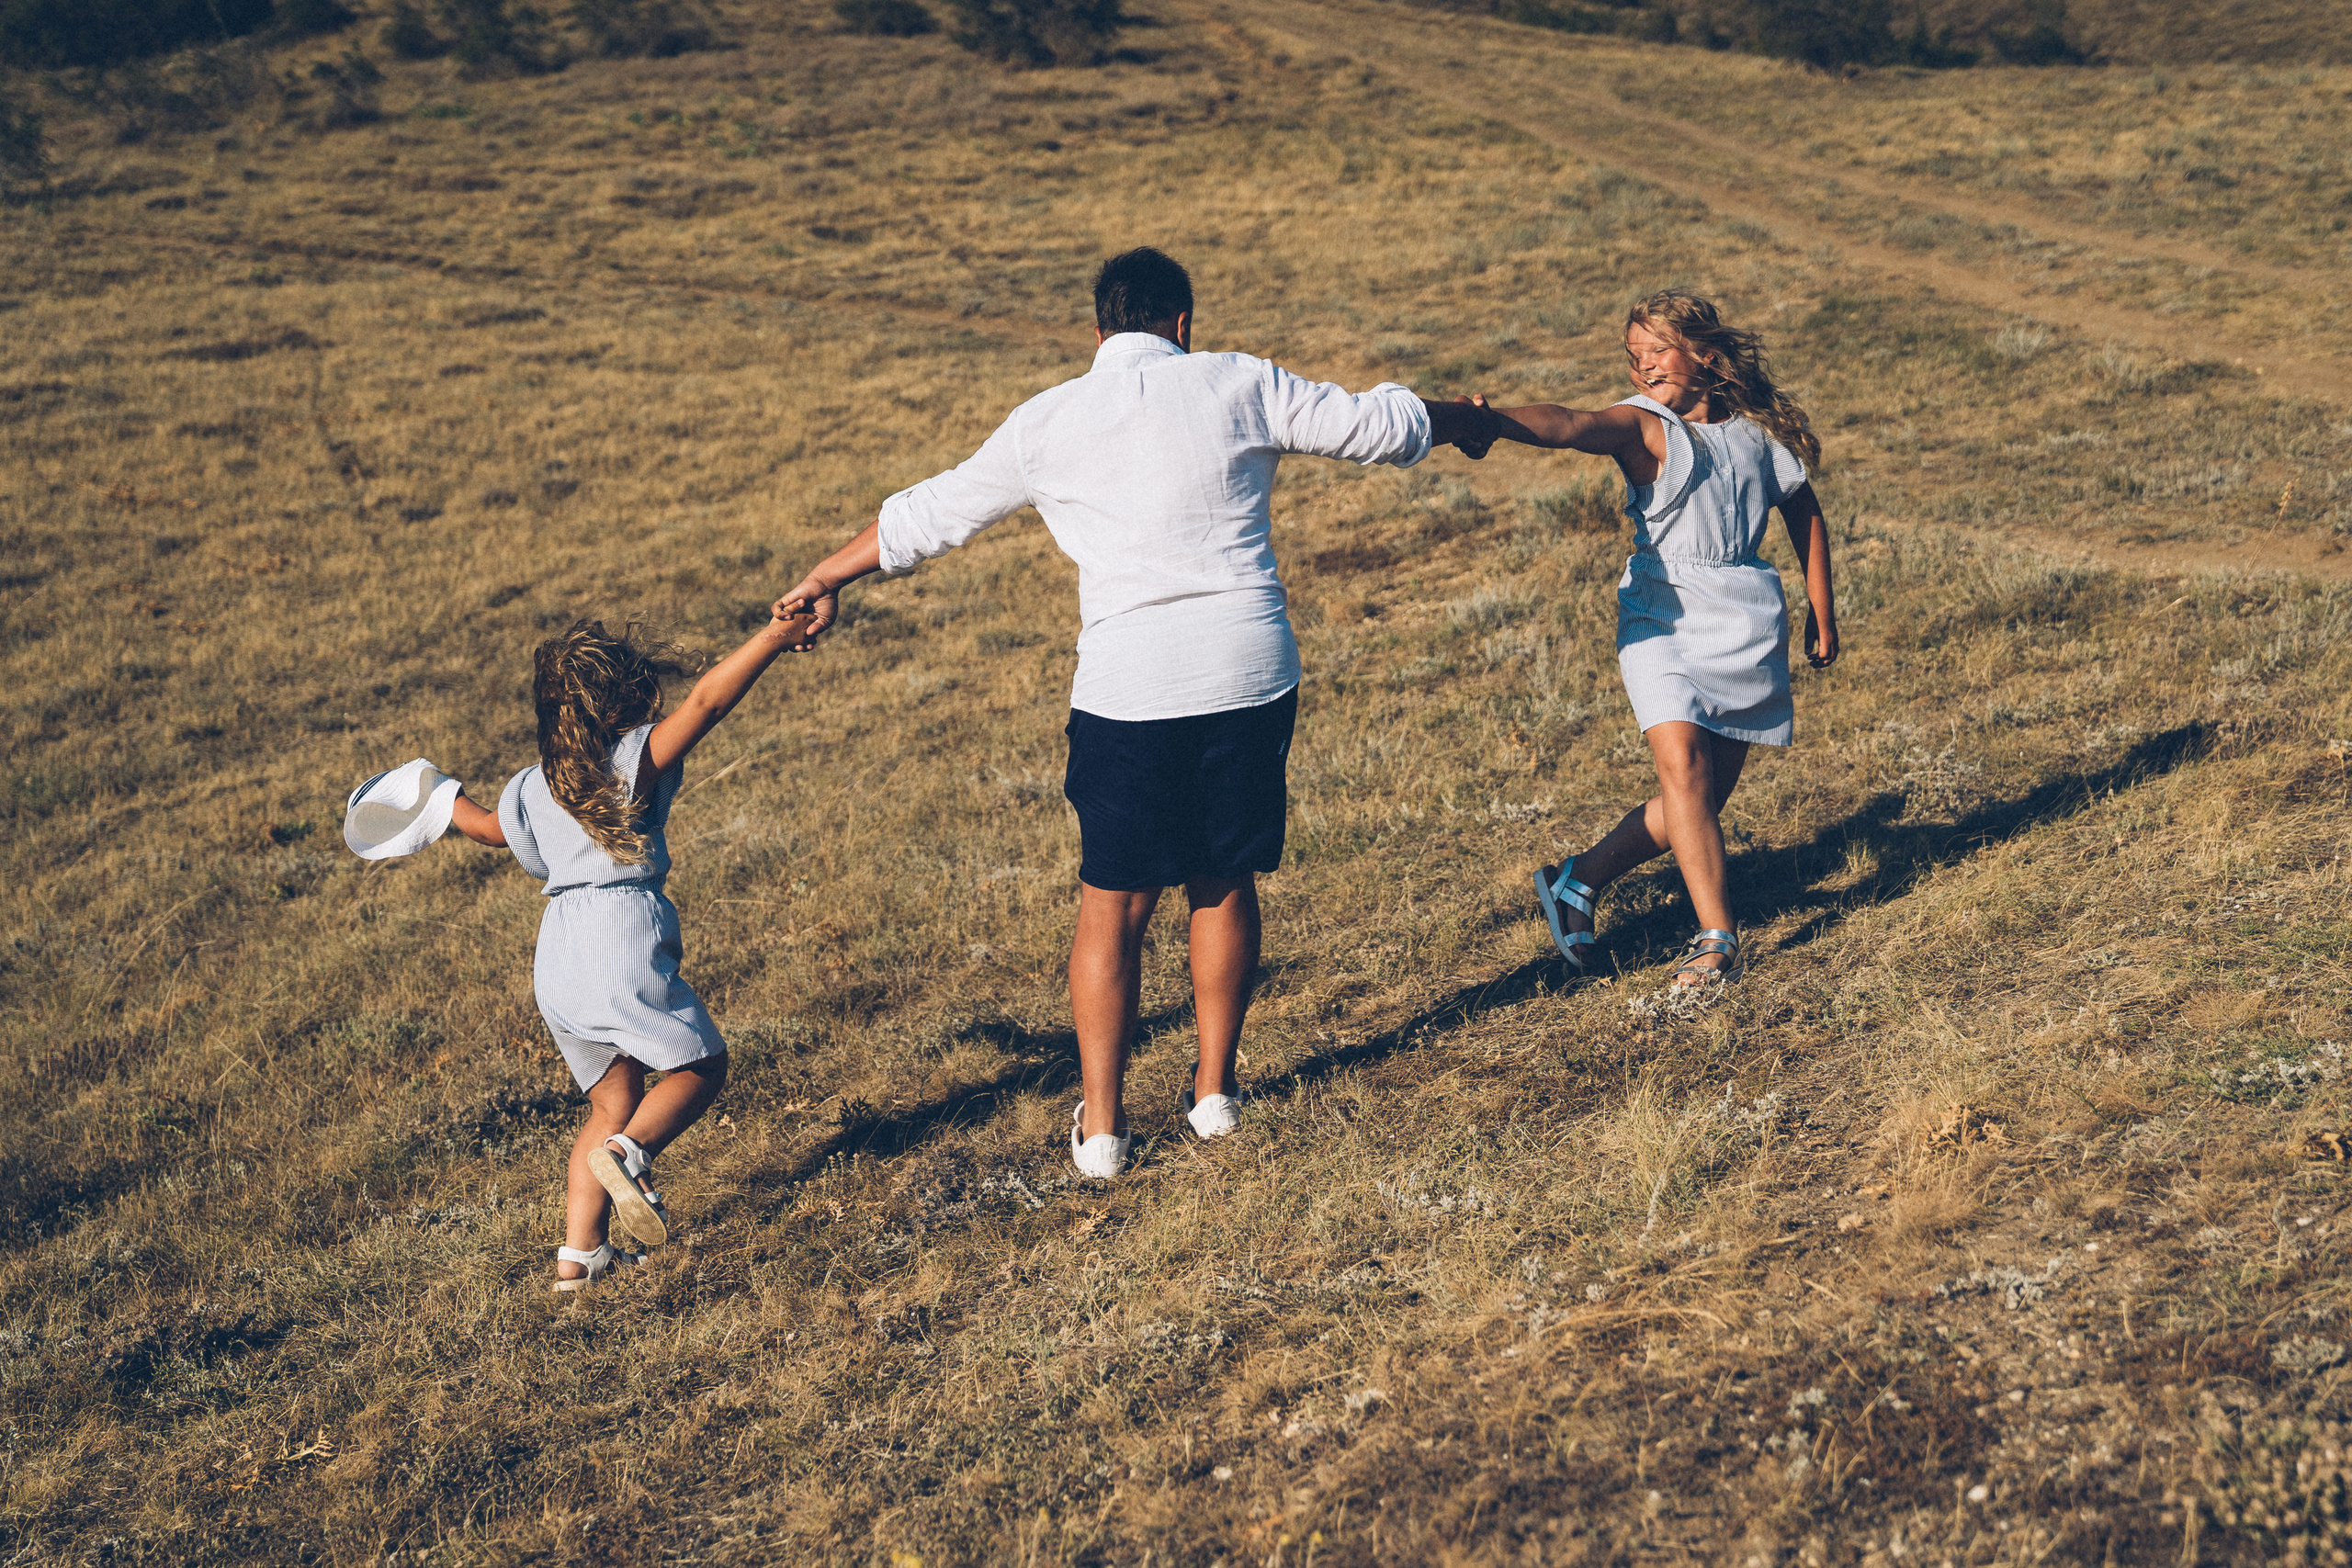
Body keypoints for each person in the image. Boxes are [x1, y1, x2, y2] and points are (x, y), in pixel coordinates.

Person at [775, 247, 1499, 1178]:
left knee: (1111, 910)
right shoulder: (1237, 382)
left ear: (1098, 331)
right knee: (1223, 877)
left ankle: (1106, 1129)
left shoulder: (1047, 419)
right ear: (1183, 324)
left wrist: (826, 575)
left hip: (1129, 685)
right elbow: (1379, 426)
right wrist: (1461, 421)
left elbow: (929, 515)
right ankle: (1212, 1095)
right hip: (1246, 665)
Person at [1475, 288, 1838, 987]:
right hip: (1662, 616)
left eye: (1655, 352)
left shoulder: (1758, 436)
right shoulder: (1645, 428)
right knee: (1684, 773)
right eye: (1632, 357)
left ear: (1706, 355)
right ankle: (1715, 939)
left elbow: (1803, 510)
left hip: (1745, 620)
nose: (1642, 369)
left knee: (1695, 802)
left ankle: (1577, 879)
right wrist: (1496, 423)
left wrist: (1823, 609)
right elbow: (1572, 423)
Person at [447, 609, 817, 1289]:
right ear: (618, 698)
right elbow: (707, 701)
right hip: (619, 934)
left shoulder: (533, 784)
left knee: (611, 1099)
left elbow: (484, 830)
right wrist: (772, 638)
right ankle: (631, 1152)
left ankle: (579, 1258)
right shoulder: (628, 762)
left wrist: (444, 797)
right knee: (701, 1066)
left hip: (557, 955)